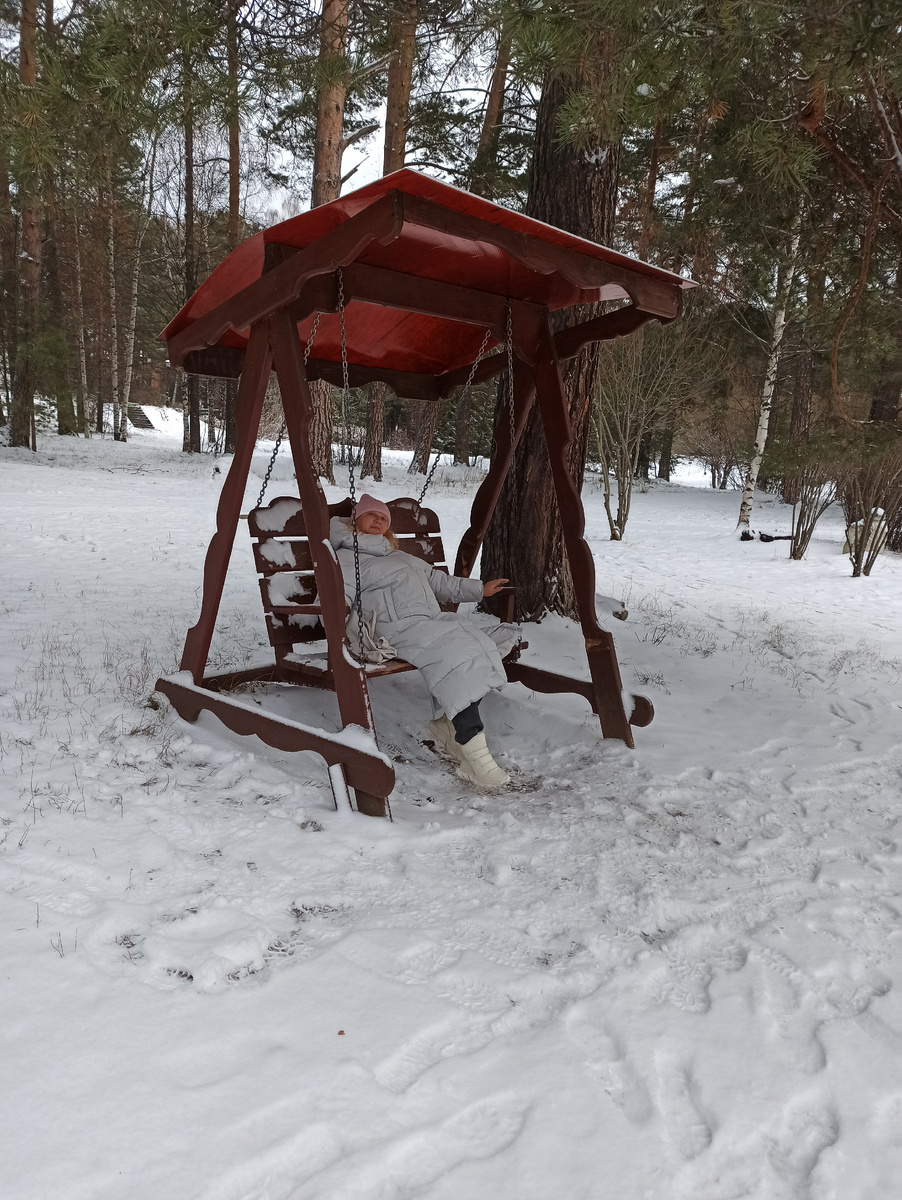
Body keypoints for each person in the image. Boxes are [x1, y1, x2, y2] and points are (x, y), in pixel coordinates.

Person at [329, 493, 516, 789]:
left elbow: (442, 583)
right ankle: (476, 756)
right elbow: (334, 597)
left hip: (429, 623)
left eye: (383, 518)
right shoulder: (347, 559)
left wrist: (481, 589)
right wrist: (338, 616)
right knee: (457, 655)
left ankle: (446, 727)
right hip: (395, 629)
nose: (377, 520)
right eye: (371, 516)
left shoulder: (402, 556)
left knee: (484, 644)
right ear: (356, 521)